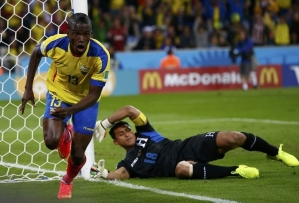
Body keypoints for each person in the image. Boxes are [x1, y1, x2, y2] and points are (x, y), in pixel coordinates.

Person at [19, 13, 110, 199]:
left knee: (78, 155)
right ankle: (66, 134)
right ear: (68, 33)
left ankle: (67, 180)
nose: (82, 38)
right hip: (59, 93)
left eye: (86, 34)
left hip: (85, 102)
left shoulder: (100, 55)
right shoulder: (56, 44)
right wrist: (28, 89)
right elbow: (36, 52)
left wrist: (70, 111)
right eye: (77, 33)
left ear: (91, 34)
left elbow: (94, 95)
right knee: (51, 141)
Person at [92, 105, 299, 180]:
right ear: (116, 143)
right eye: (120, 134)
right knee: (182, 170)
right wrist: (104, 174)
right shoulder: (129, 161)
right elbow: (119, 174)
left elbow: (130, 109)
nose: (127, 133)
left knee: (234, 137)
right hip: (178, 166)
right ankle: (235, 170)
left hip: (189, 146)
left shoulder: (146, 133)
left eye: (127, 129)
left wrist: (106, 123)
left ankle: (275, 153)